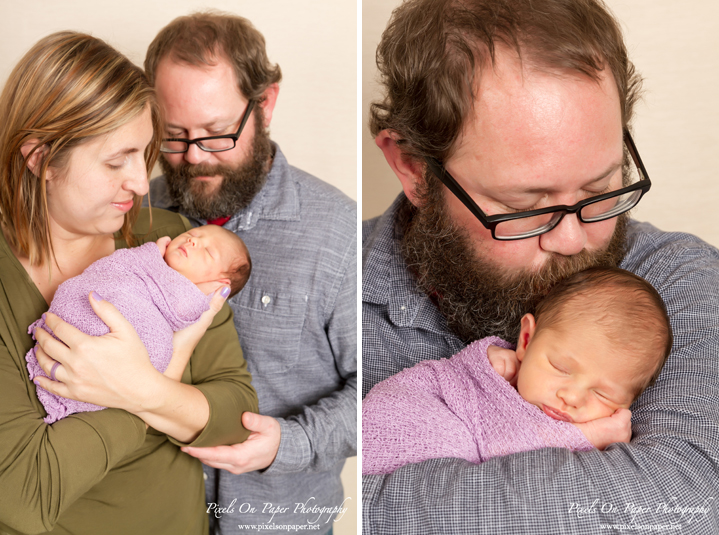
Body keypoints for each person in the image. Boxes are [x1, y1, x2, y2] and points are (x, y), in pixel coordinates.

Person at [362, 0, 719, 533]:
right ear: (413, 169)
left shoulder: (675, 278)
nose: (573, 240)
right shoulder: (340, 292)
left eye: (600, 189)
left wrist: (386, 499)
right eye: (528, 207)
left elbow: (687, 506)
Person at [0, 32, 257, 535]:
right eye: (116, 161)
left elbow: (237, 412)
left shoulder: (170, 242)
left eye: (144, 154)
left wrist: (146, 390)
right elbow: (27, 493)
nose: (142, 183)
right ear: (40, 159)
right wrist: (154, 394)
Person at [144, 12, 356, 533]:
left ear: (265, 105)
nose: (195, 158)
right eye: (174, 135)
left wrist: (290, 443)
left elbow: (379, 397)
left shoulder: (342, 235)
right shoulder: (138, 213)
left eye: (217, 134)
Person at [363, 267, 672, 474]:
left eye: (603, 393)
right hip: (399, 422)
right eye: (560, 367)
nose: (571, 396)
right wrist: (588, 435)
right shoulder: (492, 373)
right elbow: (502, 456)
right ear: (526, 340)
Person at [27, 225, 252, 423]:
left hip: (124, 347)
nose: (193, 241)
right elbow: (118, 268)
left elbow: (182, 309)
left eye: (208, 251)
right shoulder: (148, 256)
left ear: (218, 283)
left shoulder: (192, 298)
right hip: (101, 302)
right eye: (193, 234)